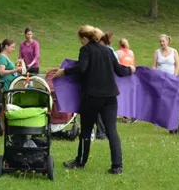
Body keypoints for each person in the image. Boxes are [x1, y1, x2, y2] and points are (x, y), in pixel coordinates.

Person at [54, 25, 135, 174]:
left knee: (86, 130)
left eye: (80, 39)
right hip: (110, 97)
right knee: (112, 131)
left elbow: (82, 68)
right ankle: (117, 166)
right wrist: (130, 69)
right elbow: (119, 70)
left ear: (84, 38)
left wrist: (64, 72)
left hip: (91, 96)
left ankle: (80, 161)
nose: (80, 42)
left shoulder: (86, 50)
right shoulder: (107, 51)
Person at [116, 38, 137, 123]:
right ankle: (129, 115)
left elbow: (116, 65)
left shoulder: (118, 52)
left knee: (120, 95)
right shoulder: (131, 52)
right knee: (128, 96)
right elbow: (133, 63)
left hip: (122, 75)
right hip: (131, 74)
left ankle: (121, 114)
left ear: (119, 44)